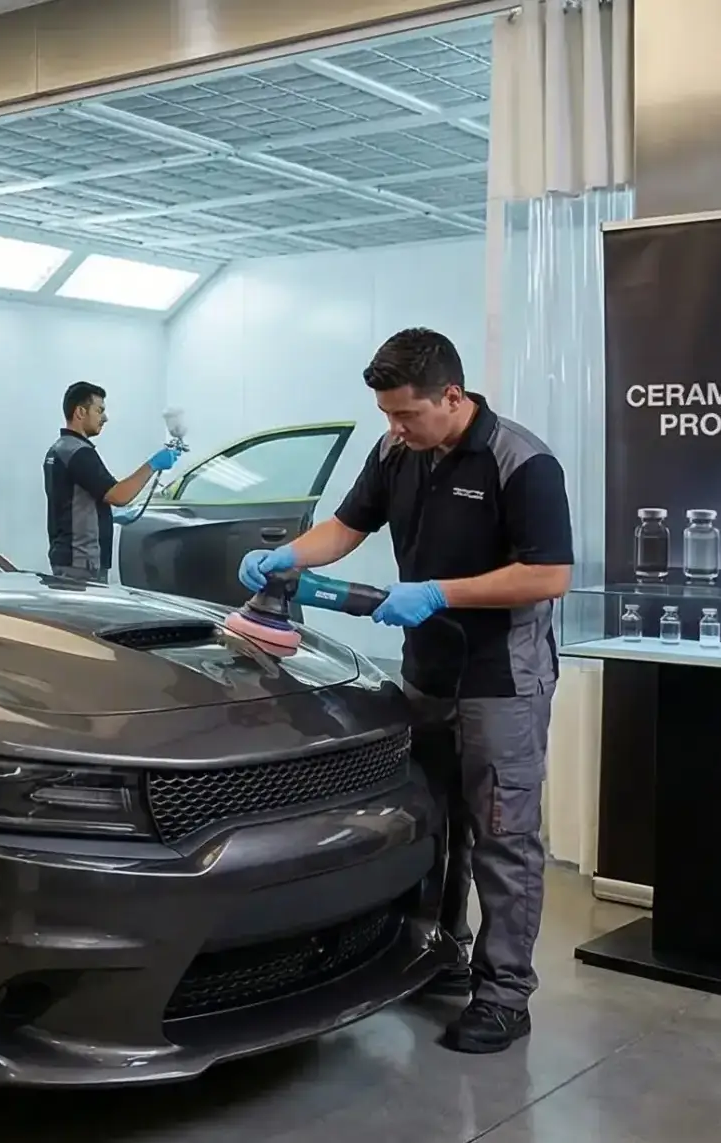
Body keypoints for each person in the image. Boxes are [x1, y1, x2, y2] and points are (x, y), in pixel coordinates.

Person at [236, 329, 571, 1055]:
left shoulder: (521, 459)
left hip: (501, 680)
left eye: (406, 414)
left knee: (502, 838)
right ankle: (441, 954)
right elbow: (348, 526)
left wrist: (438, 591)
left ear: (452, 397)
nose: (394, 428)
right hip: (426, 672)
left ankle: (505, 996)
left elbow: (549, 575)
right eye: (387, 415)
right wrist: (287, 555)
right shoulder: (397, 452)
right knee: (433, 820)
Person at [45, 382, 181, 582]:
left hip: (71, 558)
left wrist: (106, 516)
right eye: (99, 411)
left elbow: (76, 501)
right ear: (81, 412)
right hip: (81, 563)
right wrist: (153, 464)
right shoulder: (78, 452)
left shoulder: (60, 449)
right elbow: (118, 495)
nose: (105, 418)